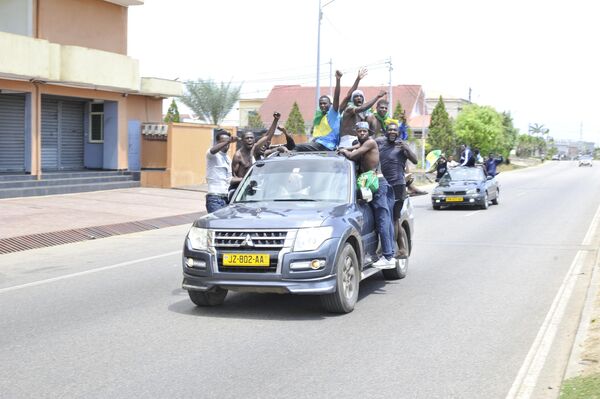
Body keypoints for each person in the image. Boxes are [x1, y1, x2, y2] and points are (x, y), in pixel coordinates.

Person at [338, 121, 396, 269]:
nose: (362, 133)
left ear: (368, 132)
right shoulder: (363, 143)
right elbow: (355, 147)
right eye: (359, 131)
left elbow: (353, 155)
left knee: (383, 220)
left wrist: (345, 152)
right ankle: (387, 254)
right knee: (381, 220)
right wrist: (343, 148)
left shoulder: (370, 143)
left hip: (378, 184)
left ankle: (388, 256)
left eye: (364, 131)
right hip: (372, 184)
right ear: (356, 132)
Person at [375, 120, 418, 220]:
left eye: (395, 130)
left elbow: (415, 160)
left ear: (398, 133)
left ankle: (396, 236)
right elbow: (367, 144)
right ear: (386, 132)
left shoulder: (402, 145)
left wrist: (406, 148)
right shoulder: (380, 142)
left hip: (398, 185)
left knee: (395, 217)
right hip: (383, 185)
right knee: (384, 216)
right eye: (390, 130)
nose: (392, 132)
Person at [205, 130, 240, 213]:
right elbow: (212, 151)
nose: (226, 144)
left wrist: (245, 179)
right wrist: (228, 140)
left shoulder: (228, 159)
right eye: (223, 142)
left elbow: (229, 179)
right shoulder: (212, 155)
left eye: (228, 142)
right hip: (214, 198)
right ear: (217, 143)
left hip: (225, 198)